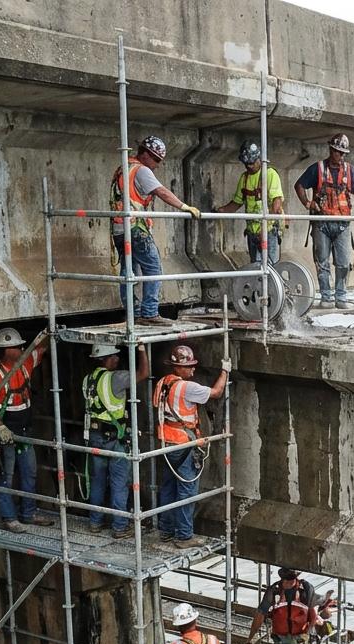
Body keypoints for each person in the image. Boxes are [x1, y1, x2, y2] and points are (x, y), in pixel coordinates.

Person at [110, 135, 202, 328]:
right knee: (153, 268)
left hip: (120, 229)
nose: (157, 165)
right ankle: (150, 313)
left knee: (129, 272)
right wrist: (184, 206)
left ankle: (133, 314)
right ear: (145, 154)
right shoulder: (141, 170)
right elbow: (161, 191)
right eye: (156, 159)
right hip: (135, 228)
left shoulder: (124, 168)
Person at [0, 326, 55, 533]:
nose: (21, 348)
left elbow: (41, 350)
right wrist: (1, 428)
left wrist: (47, 333)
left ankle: (28, 513)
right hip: (6, 432)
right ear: (6, 350)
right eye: (16, 346)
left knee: (29, 472)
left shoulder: (24, 364)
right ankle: (9, 517)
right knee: (6, 475)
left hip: (24, 430)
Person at [152, 344, 229, 548]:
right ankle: (184, 536)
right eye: (190, 366)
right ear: (179, 367)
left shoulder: (162, 382)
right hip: (183, 443)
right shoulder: (187, 387)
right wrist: (225, 371)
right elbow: (216, 392)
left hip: (166, 443)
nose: (193, 370)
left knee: (168, 488)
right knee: (187, 491)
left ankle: (166, 530)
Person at [293, 133, 354, 309]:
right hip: (322, 224)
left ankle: (341, 297)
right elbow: (299, 185)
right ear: (331, 150)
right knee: (322, 262)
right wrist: (307, 202)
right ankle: (326, 297)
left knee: (343, 262)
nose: (341, 156)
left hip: (342, 224)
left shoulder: (349, 171)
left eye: (344, 153)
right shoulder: (318, 169)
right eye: (338, 152)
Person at [82, 341, 149, 538]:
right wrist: (142, 350)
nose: (118, 359)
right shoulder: (116, 378)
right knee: (119, 482)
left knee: (98, 480)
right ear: (106, 358)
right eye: (115, 356)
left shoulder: (87, 379)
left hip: (95, 436)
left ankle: (95, 522)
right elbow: (143, 374)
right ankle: (119, 527)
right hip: (115, 437)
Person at [214, 140, 286, 265]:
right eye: (246, 163)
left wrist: (264, 228)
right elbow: (236, 203)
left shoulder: (269, 174)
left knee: (271, 268)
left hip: (268, 231)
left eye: (252, 162)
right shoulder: (244, 178)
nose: (249, 166)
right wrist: (219, 211)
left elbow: (277, 204)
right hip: (252, 232)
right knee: (255, 267)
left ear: (260, 158)